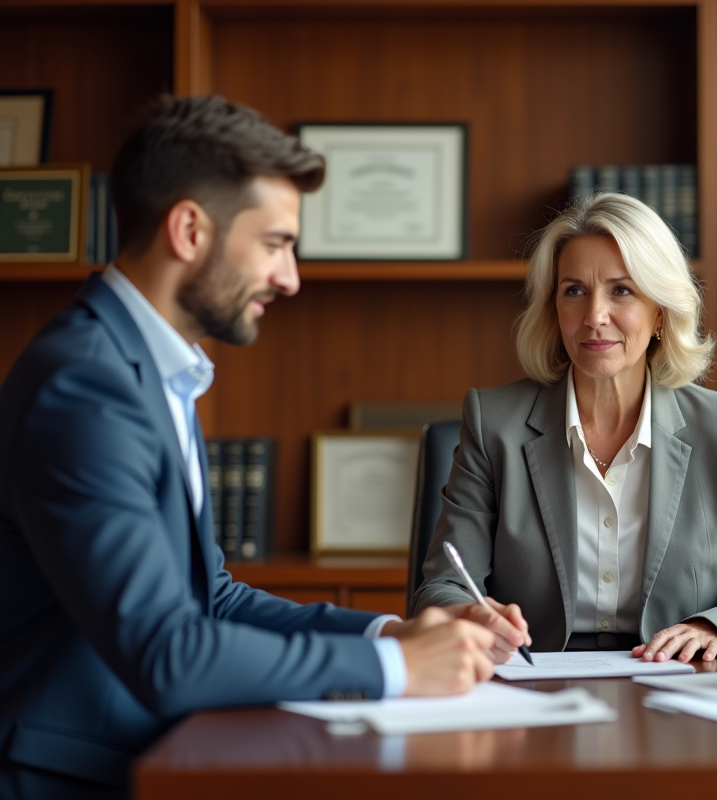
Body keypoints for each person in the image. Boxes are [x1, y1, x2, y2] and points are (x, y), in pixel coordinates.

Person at [0, 95, 515, 800]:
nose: (290, 277)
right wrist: (399, 672)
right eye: (275, 243)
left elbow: (206, 597)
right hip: (74, 777)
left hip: (153, 754)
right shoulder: (86, 386)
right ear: (189, 230)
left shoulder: (153, 371)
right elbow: (168, 652)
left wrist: (392, 635)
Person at [411, 192, 717, 662]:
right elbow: (444, 587)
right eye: (574, 291)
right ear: (554, 309)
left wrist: (711, 627)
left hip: (676, 681)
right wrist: (475, 618)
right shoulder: (495, 424)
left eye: (621, 290)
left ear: (660, 312)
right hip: (536, 681)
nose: (594, 316)